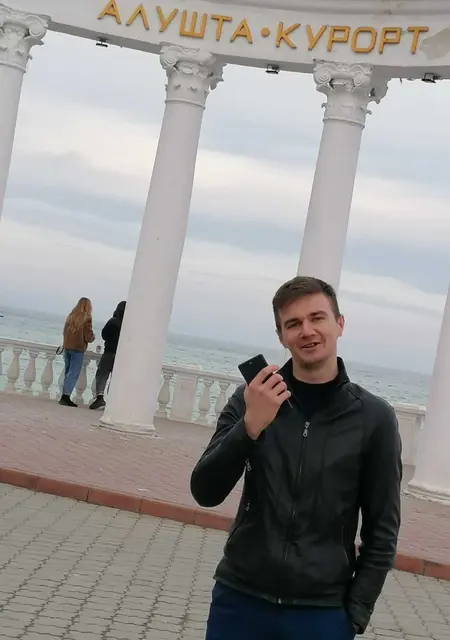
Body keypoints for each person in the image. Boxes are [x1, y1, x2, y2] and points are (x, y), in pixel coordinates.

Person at [191, 276, 402, 640]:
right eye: (293, 323)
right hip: (240, 599)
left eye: (317, 318)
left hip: (322, 613)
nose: (307, 331)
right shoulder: (252, 399)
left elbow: (382, 529)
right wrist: (249, 427)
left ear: (339, 324)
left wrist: (354, 614)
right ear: (281, 336)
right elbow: (205, 491)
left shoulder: (374, 418)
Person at [89, 301, 126, 410]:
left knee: (102, 375)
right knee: (116, 379)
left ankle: (100, 397)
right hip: (120, 355)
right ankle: (113, 401)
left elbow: (104, 335)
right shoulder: (128, 325)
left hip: (109, 352)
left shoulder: (112, 321)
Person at [60, 297, 95, 407]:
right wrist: (93, 337)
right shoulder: (86, 319)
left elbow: (64, 332)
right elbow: (88, 336)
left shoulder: (71, 317)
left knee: (68, 372)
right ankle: (65, 396)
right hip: (77, 349)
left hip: (67, 347)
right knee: (73, 373)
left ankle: (64, 395)